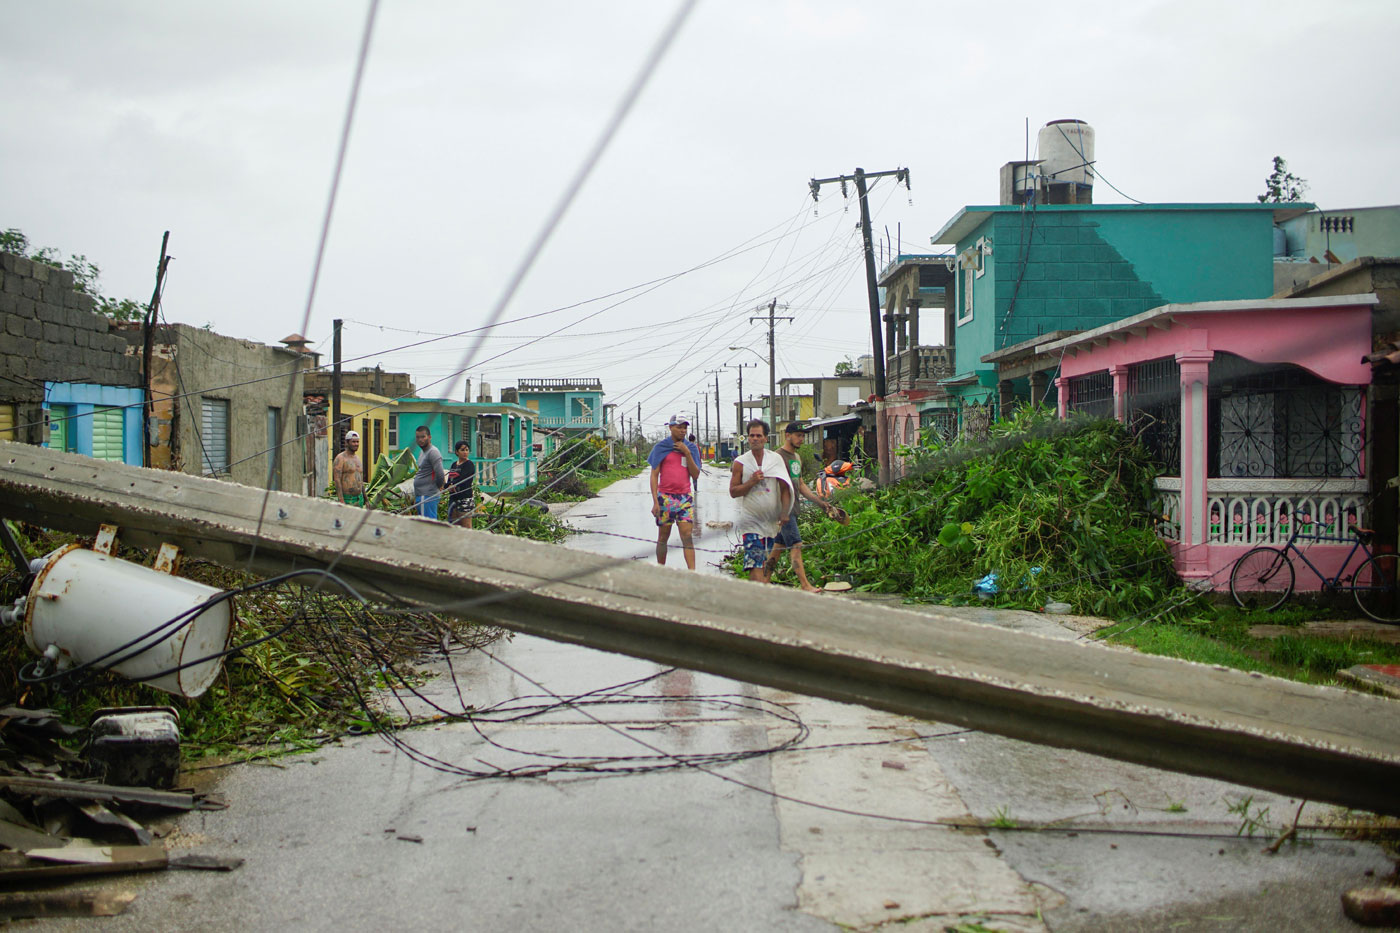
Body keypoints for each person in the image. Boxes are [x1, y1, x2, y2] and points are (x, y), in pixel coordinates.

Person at [768, 422, 834, 592]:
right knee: (796, 545)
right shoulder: (777, 457)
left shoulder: (796, 458)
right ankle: (805, 585)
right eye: (798, 435)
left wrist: (819, 501)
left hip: (794, 508)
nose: (801, 439)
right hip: (784, 510)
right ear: (787, 435)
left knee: (778, 547)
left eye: (803, 436)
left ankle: (763, 581)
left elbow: (801, 484)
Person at [729, 419, 792, 583]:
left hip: (771, 523)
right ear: (747, 438)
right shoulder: (741, 463)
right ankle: (760, 598)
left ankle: (756, 599)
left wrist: (785, 512)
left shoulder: (775, 460)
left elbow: (785, 488)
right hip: (750, 522)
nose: (755, 439)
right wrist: (751, 482)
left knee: (764, 564)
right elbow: (733, 492)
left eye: (759, 435)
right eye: (752, 436)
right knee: (755, 563)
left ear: (765, 439)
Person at [647, 414, 701, 569]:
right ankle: (661, 569)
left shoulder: (690, 448)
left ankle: (692, 572)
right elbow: (654, 474)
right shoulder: (661, 447)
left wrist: (687, 453)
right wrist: (655, 501)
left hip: (684, 498)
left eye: (685, 427)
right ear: (670, 428)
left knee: (687, 536)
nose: (683, 431)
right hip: (665, 498)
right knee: (663, 537)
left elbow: (695, 474)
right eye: (679, 427)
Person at [412, 425, 445, 519]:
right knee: (424, 526)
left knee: (428, 526)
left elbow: (440, 474)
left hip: (427, 496)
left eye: (423, 436)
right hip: (421, 495)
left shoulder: (433, 452)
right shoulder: (422, 452)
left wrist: (437, 488)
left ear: (429, 437)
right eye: (418, 437)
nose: (420, 440)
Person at [445, 440, 476, 529]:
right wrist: (447, 486)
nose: (465, 452)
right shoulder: (454, 465)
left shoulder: (469, 464)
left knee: (466, 526)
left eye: (467, 450)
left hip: (464, 499)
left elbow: (463, 479)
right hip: (453, 498)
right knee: (453, 525)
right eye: (462, 450)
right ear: (457, 452)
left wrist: (452, 485)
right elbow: (450, 479)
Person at [333, 430, 365, 507]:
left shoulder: (358, 459)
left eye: (357, 442)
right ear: (347, 443)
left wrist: (366, 499)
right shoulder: (340, 458)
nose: (356, 444)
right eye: (353, 442)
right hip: (347, 499)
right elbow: (337, 480)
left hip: (359, 498)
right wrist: (341, 500)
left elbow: (361, 480)